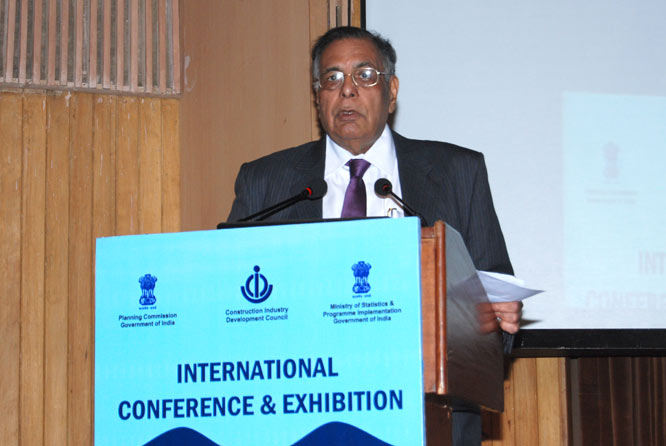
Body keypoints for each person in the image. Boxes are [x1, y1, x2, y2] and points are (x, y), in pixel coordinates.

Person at [228, 26, 521, 445]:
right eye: (332, 78)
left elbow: (498, 311)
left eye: (364, 75)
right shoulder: (267, 182)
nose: (347, 90)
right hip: (302, 417)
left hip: (429, 418)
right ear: (317, 96)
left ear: (392, 91)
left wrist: (496, 321)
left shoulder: (458, 172)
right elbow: (233, 309)